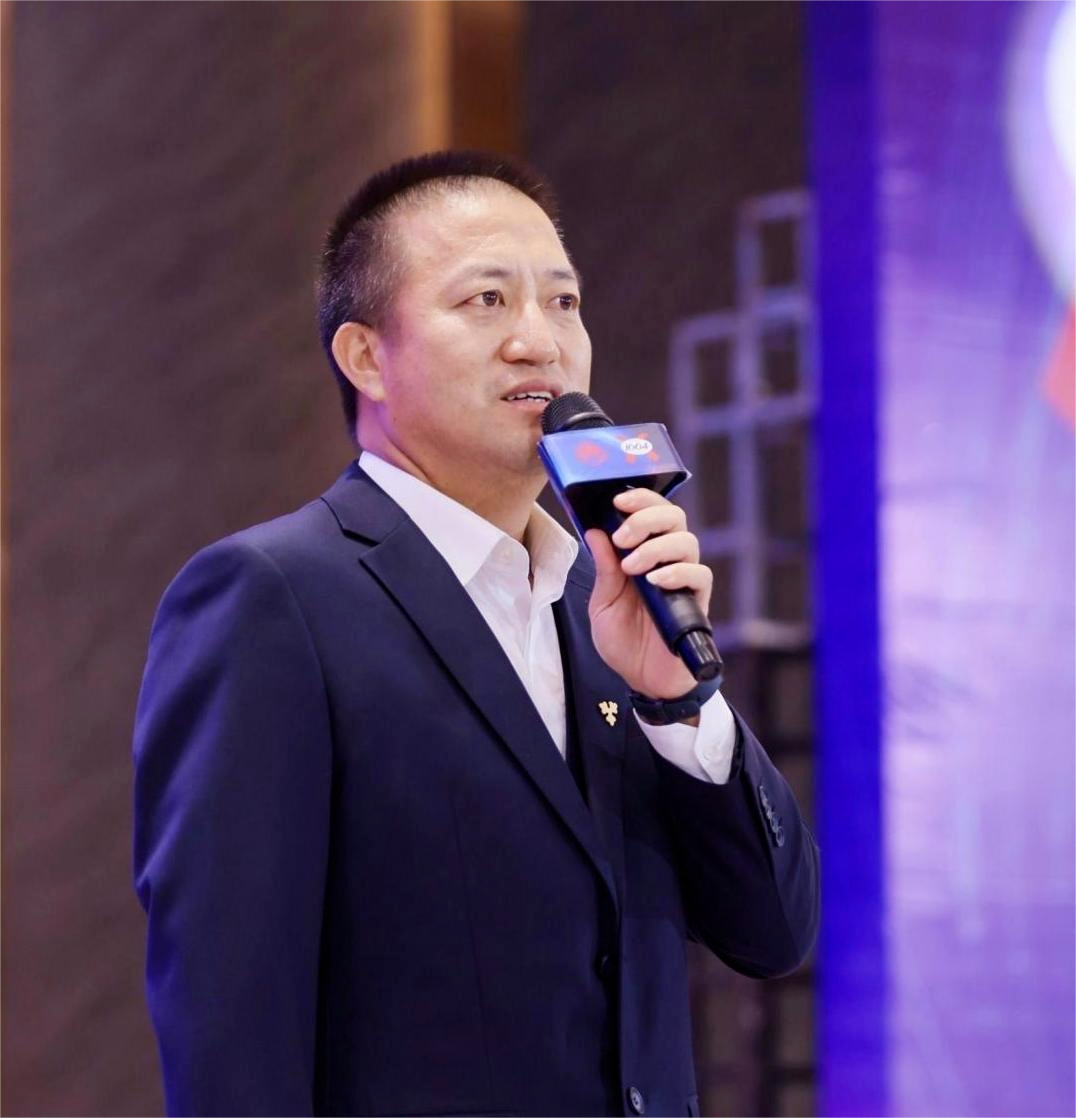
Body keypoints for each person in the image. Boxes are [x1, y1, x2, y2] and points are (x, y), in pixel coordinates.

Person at [133, 150, 819, 1118]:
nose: (538, 340)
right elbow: (229, 1019)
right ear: (366, 357)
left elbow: (772, 932)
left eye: (564, 302)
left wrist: (679, 702)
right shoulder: (271, 599)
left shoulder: (609, 597)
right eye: (486, 300)